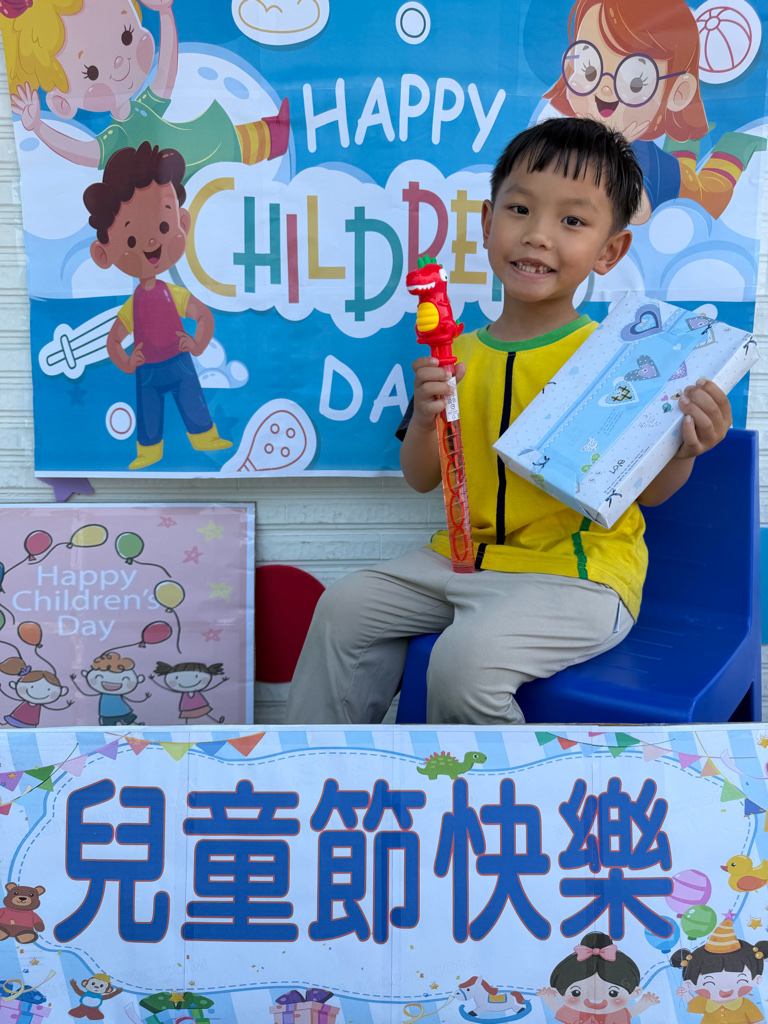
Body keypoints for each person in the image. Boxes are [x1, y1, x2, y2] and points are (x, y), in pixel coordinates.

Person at [284, 116, 732, 726]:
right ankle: (325, 767)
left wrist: (684, 448)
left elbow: (647, 494)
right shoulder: (455, 356)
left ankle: (478, 787)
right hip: (460, 561)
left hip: (576, 577)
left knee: (464, 661)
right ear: (488, 221)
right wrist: (426, 420)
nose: (538, 236)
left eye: (572, 221)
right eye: (520, 210)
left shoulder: (616, 361)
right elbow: (421, 478)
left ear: (610, 251)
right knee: (344, 607)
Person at [1, 0, 290, 184]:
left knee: (228, 142)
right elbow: (85, 152)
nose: (119, 63)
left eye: (127, 36)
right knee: (226, 158)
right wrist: (38, 127)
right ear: (62, 103)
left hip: (205, 151)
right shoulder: (117, 137)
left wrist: (165, 14)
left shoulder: (142, 107)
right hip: (180, 183)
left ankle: (274, 136)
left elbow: (165, 74)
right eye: (92, 72)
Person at [83, 142, 232, 470]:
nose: (151, 242)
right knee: (148, 412)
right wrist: (126, 363)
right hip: (147, 369)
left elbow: (203, 316)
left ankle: (205, 436)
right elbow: (113, 339)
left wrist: (197, 344)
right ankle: (148, 450)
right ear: (103, 253)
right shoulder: (133, 304)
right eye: (131, 240)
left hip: (179, 362)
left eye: (163, 227)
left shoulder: (171, 293)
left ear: (182, 223)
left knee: (193, 402)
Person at [537, 930, 659, 1021]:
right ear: (557, 992)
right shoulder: (575, 1014)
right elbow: (557, 1009)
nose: (594, 999)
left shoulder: (615, 1015)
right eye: (576, 992)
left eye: (613, 993)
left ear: (635, 992)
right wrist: (549, 999)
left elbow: (631, 1012)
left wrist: (645, 1003)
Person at [671, 914, 767, 1023]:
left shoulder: (747, 1005)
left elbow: (757, 1021)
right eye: (709, 982)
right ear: (690, 984)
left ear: (757, 980)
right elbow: (692, 1003)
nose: (725, 989)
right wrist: (685, 993)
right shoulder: (706, 1003)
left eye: (741, 980)